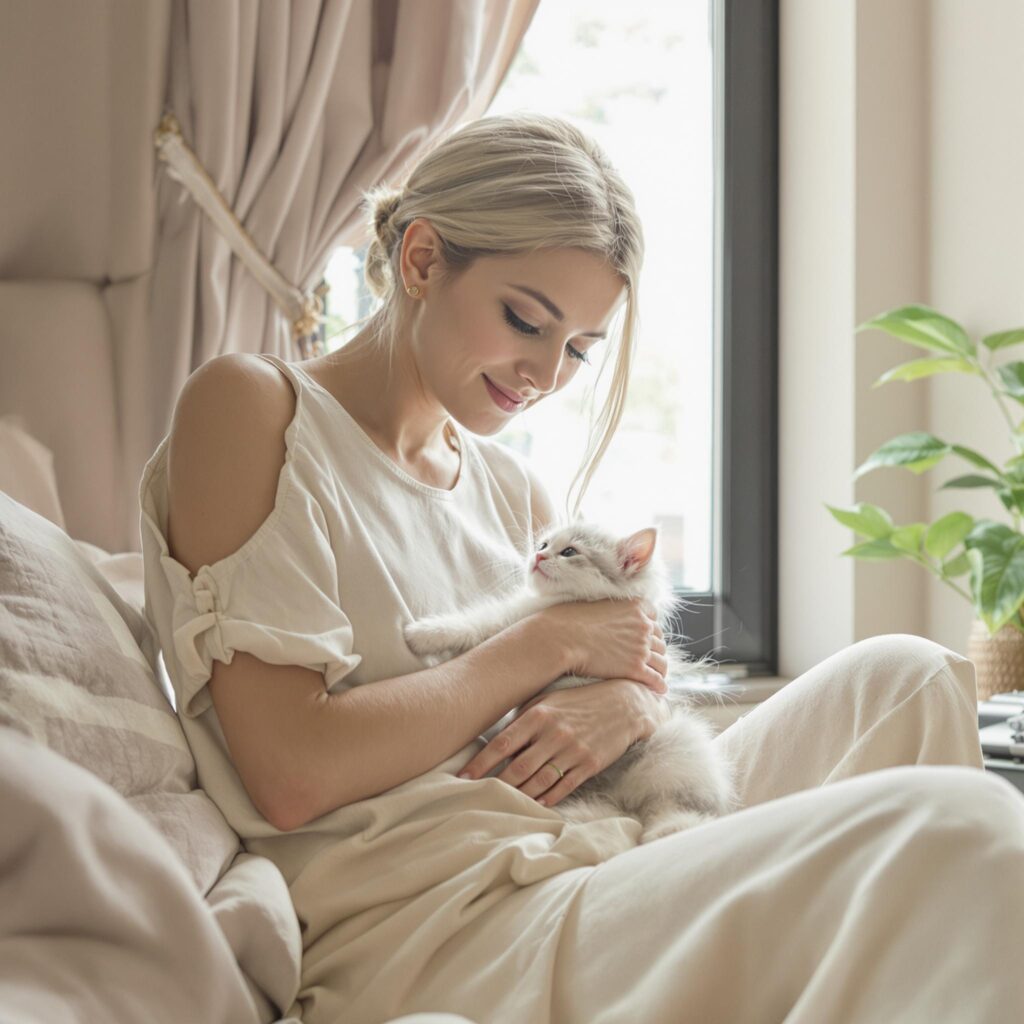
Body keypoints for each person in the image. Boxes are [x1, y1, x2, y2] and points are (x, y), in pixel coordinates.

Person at [139, 111, 1024, 1024]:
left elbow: (611, 678)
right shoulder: (254, 411)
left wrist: (631, 699)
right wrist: (543, 649)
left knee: (909, 680)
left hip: (599, 848)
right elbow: (291, 772)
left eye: (578, 350)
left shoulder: (511, 488)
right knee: (963, 825)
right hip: (447, 921)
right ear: (420, 261)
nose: (545, 375)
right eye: (526, 319)